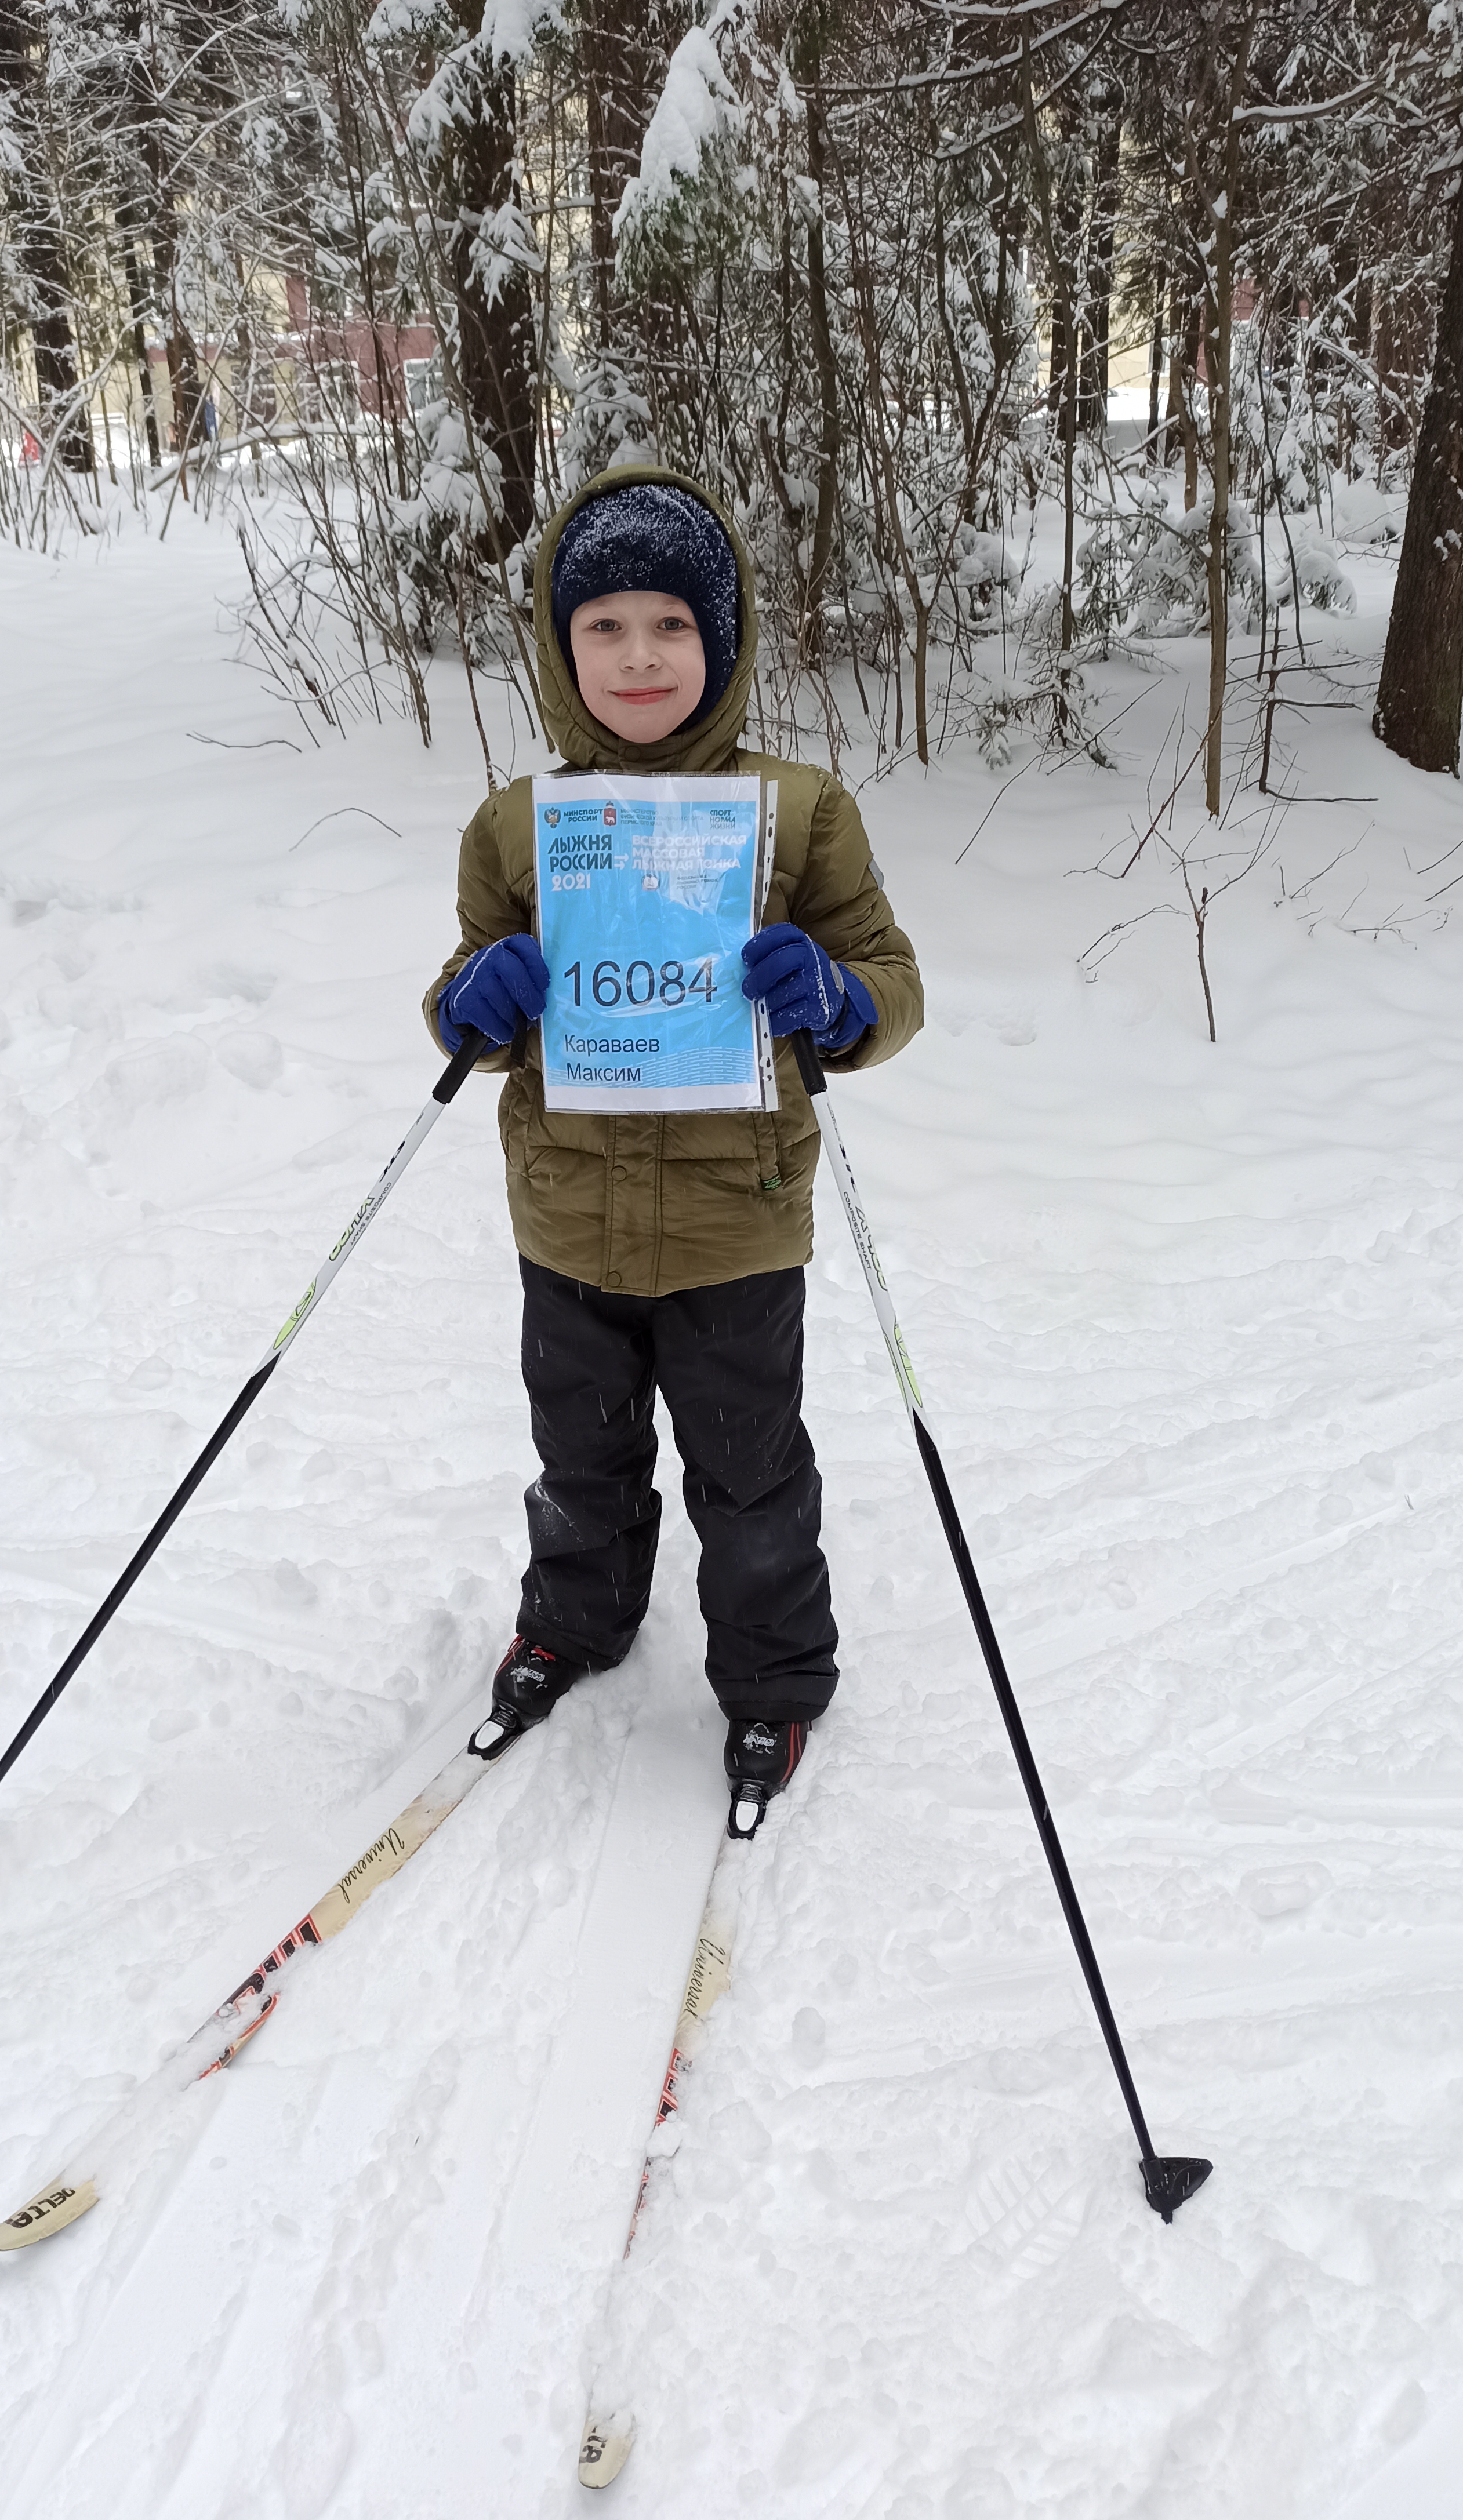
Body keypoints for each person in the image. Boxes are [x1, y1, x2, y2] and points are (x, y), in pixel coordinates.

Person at [424, 467, 922, 1817]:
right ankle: (575, 1621)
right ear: (557, 646)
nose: (639, 655)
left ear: (722, 640)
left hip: (733, 1218)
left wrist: (836, 994)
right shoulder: (517, 824)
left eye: (669, 625)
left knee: (748, 1468)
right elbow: (462, 994)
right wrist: (473, 1004)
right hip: (566, 1218)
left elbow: (891, 978)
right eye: (603, 627)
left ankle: (770, 1679)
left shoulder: (796, 811)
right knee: (580, 1454)